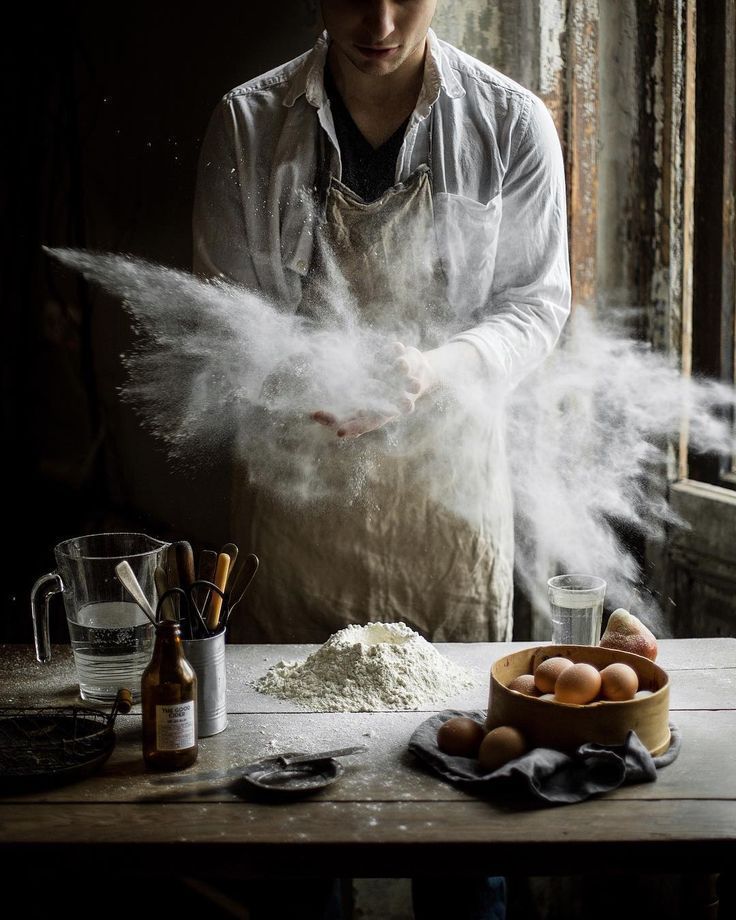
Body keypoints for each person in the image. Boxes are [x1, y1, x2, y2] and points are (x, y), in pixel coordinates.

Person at [192, 2, 569, 917]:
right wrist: (309, 370)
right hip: (297, 515)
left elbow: (538, 305)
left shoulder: (510, 122)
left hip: (444, 518)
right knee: (292, 832)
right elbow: (220, 310)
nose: (382, 19)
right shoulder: (249, 123)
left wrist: (434, 368)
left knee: (461, 833)